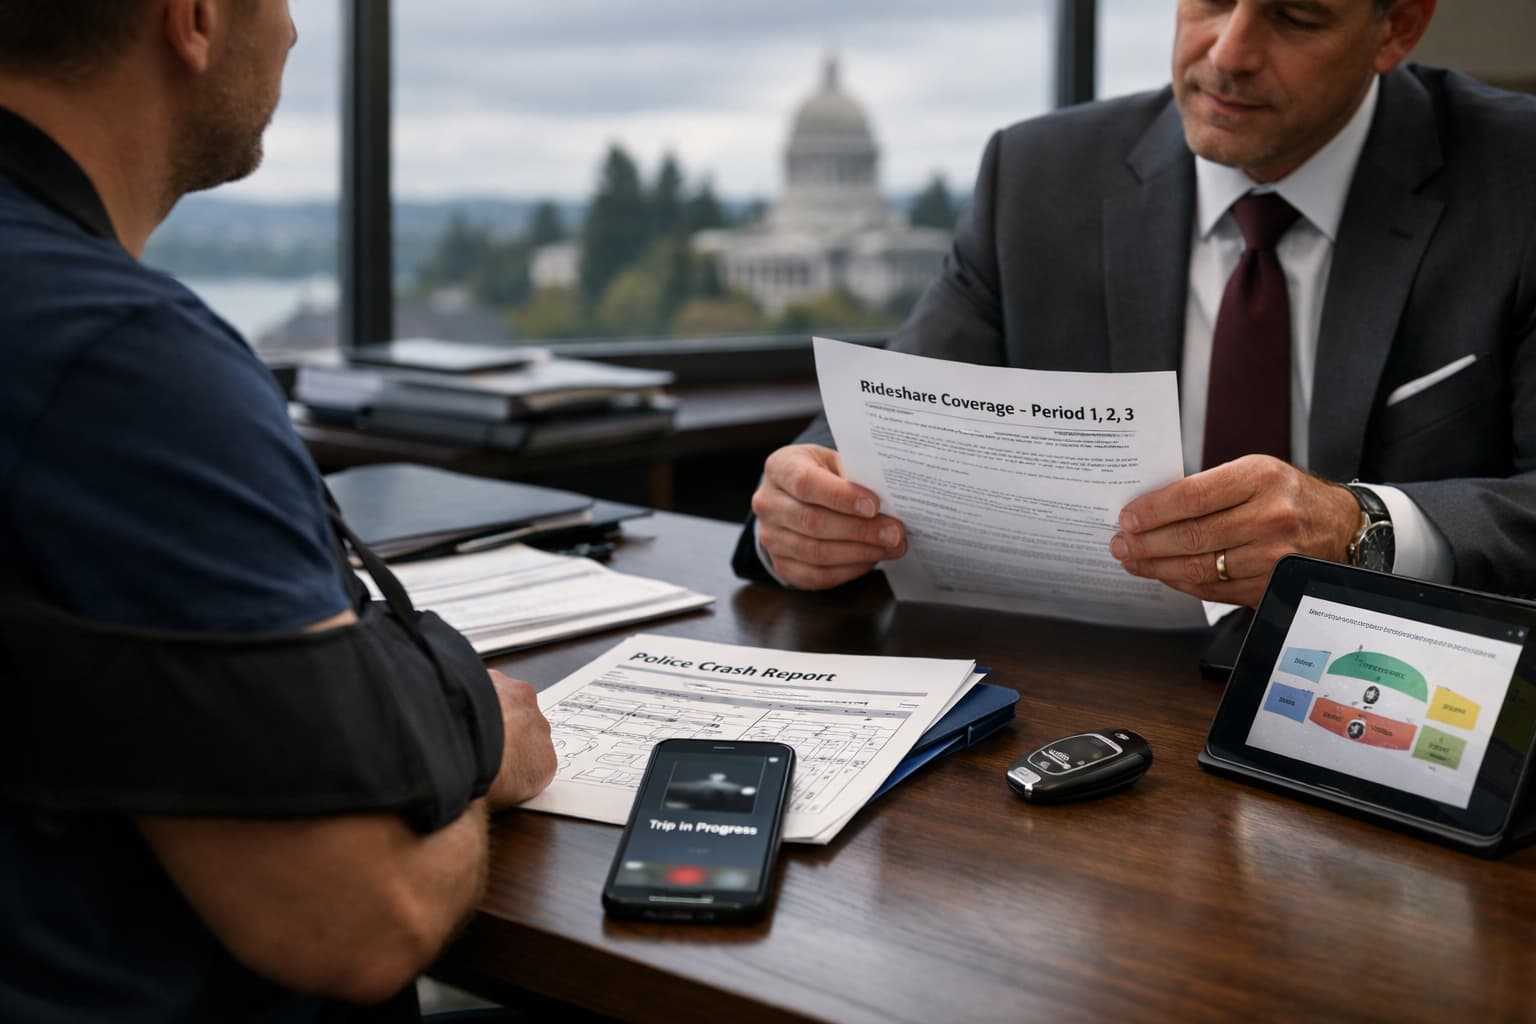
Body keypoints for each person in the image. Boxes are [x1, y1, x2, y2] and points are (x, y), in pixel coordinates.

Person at [0, 2, 556, 1020]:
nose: (295, 32)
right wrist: (478, 741)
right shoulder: (124, 363)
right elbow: (356, 923)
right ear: (195, 18)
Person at [736, 0, 1536, 609]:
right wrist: (802, 516)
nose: (1228, 54)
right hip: (1092, 684)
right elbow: (889, 410)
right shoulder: (1040, 176)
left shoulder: (1516, 179)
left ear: (1397, 28)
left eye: (1295, 17)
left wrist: (1361, 529)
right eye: (1211, 0)